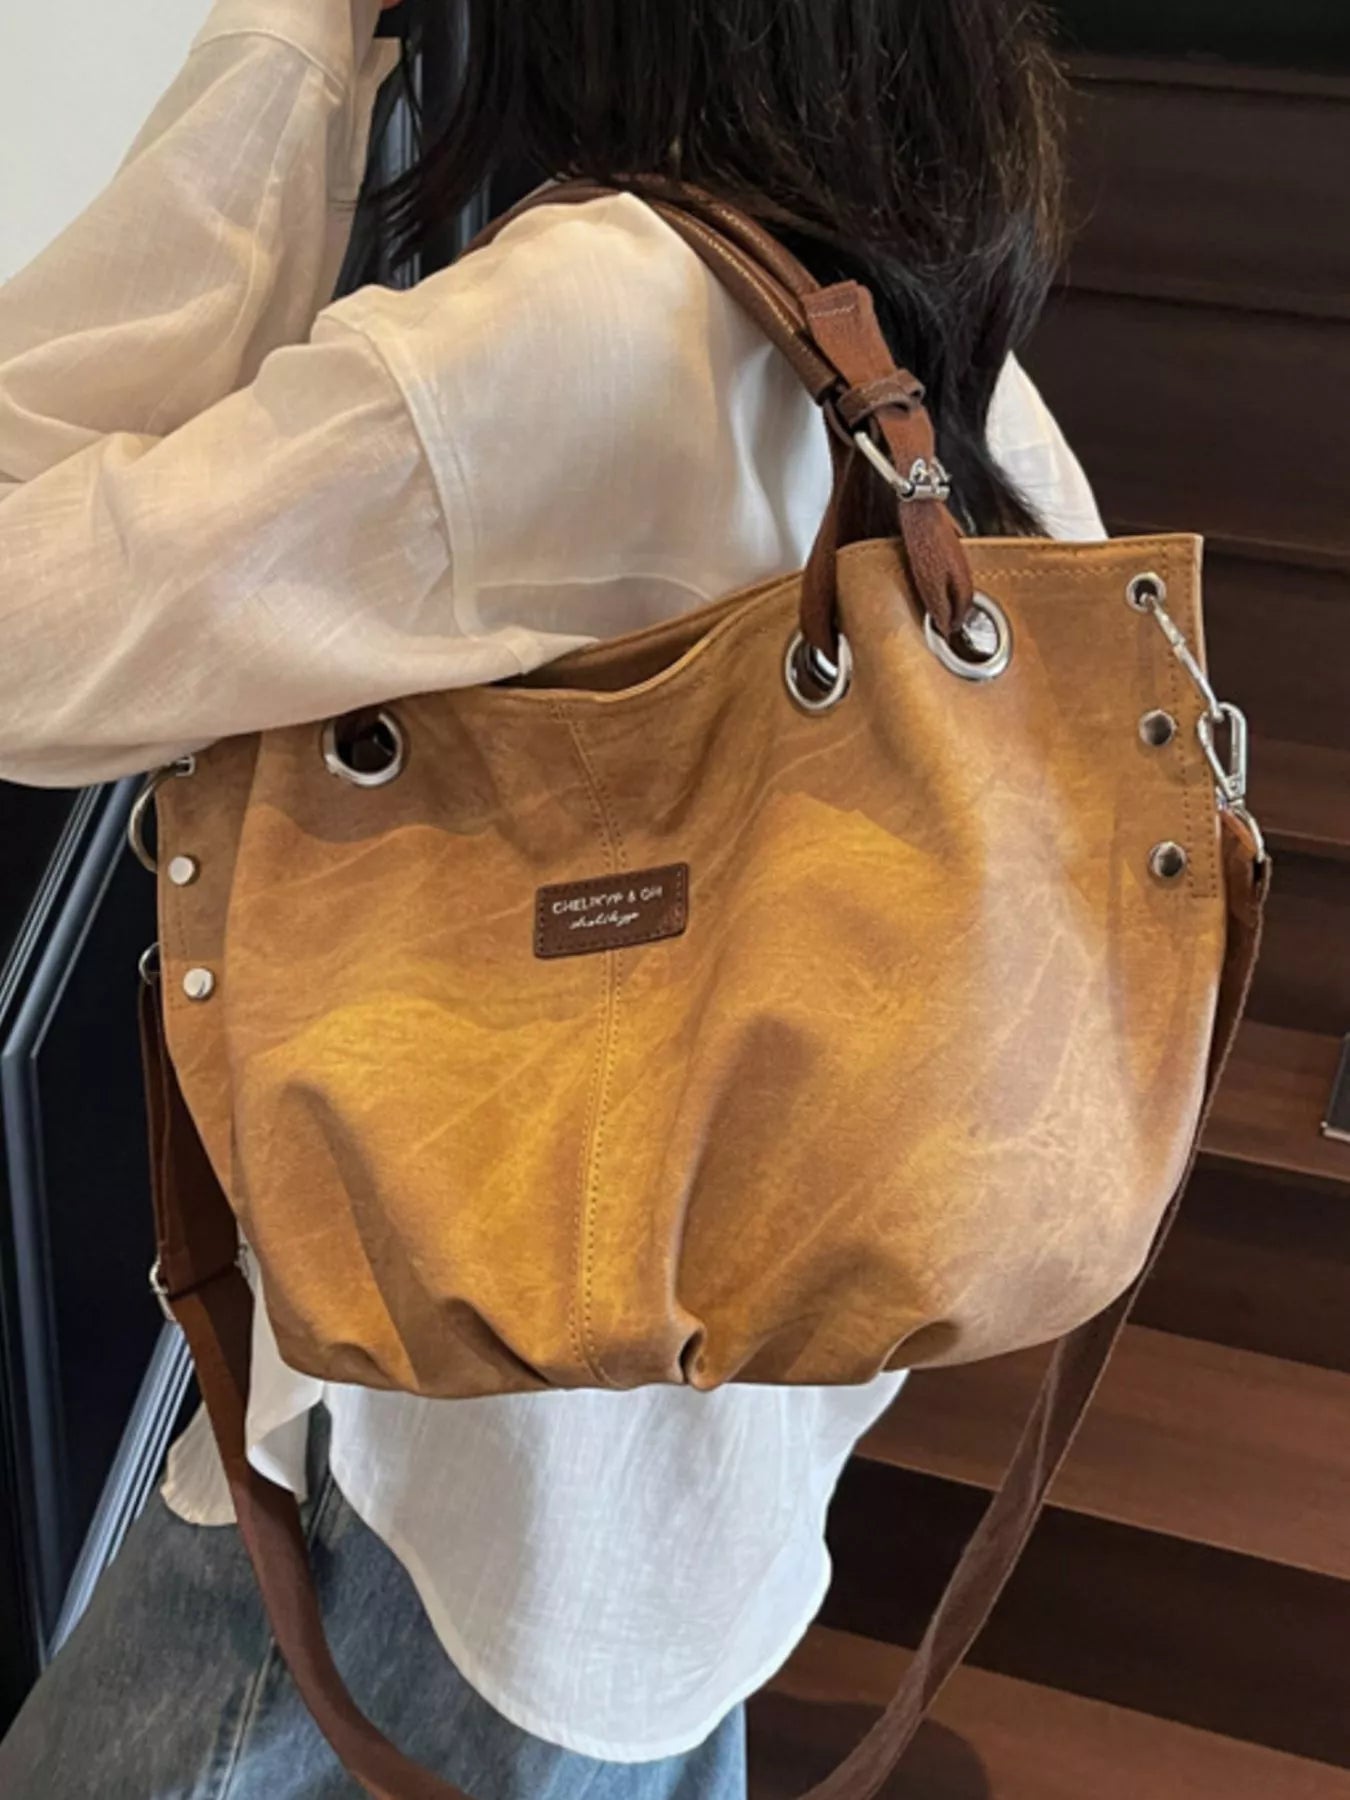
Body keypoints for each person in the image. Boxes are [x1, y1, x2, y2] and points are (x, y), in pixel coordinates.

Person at [0, 1, 1103, 1794]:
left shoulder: (575, 331)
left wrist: (292, 42)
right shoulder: (927, 319)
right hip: (727, 1467)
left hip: (451, 1479)